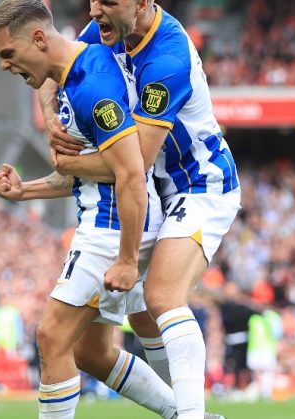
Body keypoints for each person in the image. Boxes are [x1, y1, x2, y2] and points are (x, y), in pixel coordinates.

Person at [40, 1, 241, 417]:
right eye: (94, 0)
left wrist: (66, 163)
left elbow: (134, 163)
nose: (95, 11)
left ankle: (190, 415)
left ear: (143, 2)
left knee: (162, 296)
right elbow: (52, 61)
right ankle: (183, 411)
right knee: (94, 349)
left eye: (109, 2)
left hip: (198, 184)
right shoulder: (106, 29)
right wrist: (51, 117)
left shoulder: (167, 58)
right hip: (152, 193)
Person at [0, 1, 178, 418]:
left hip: (110, 229)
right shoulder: (73, 80)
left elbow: (131, 173)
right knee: (91, 352)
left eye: (8, 54)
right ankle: (185, 413)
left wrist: (127, 259)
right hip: (108, 221)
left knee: (51, 337)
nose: (3, 66)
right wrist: (25, 191)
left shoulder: (92, 85)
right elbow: (89, 173)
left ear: (38, 39)